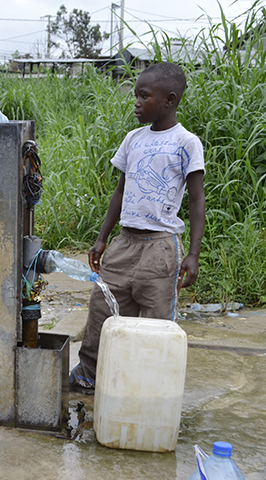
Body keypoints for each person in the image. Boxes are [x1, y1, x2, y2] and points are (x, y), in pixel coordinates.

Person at [69, 62, 206, 394]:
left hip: (161, 247)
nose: (137, 102)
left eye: (144, 96)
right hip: (124, 242)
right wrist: (102, 239)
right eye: (136, 95)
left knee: (156, 322)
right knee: (102, 308)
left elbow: (196, 201)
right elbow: (119, 192)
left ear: (170, 100)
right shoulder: (133, 139)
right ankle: (89, 374)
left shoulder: (187, 143)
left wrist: (193, 255)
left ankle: (150, 388)